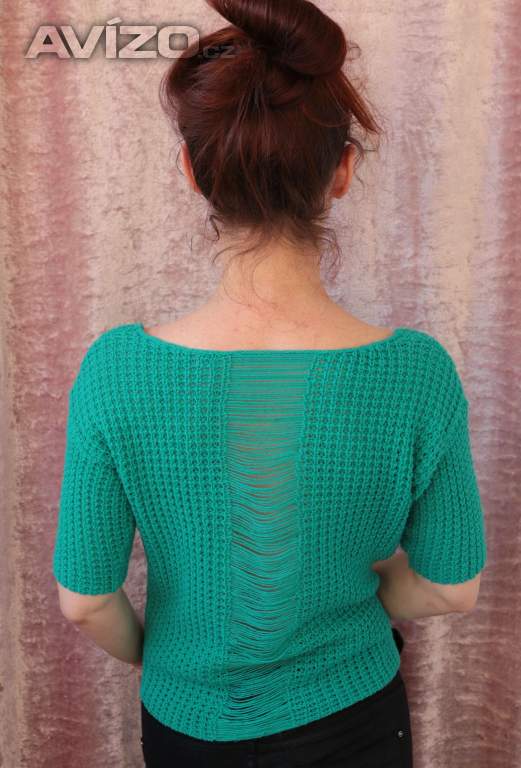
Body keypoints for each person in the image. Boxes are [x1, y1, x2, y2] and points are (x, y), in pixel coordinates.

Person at [52, 1, 487, 766]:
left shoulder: (115, 371)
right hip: (354, 720)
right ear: (342, 172)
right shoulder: (416, 373)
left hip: (186, 725)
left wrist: (173, 659)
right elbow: (450, 587)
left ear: (191, 171)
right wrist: (358, 585)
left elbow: (86, 600)